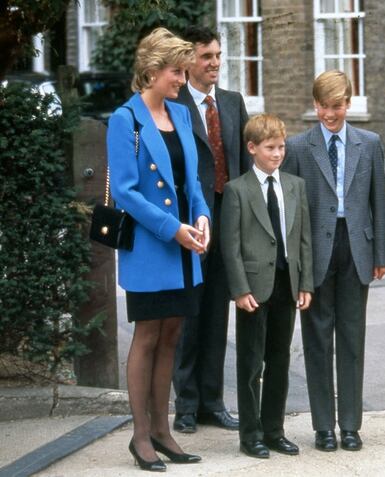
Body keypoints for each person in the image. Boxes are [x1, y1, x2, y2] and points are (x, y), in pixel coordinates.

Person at [107, 27, 209, 471]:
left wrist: (203, 216)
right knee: (147, 336)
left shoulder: (182, 115)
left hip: (186, 244)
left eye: (183, 72)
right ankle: (140, 436)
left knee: (172, 335)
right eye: (176, 72)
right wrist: (175, 229)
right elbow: (126, 192)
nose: (182, 80)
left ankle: (164, 431)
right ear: (151, 71)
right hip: (152, 245)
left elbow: (194, 181)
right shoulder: (123, 119)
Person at [283, 70, 385, 452]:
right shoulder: (297, 148)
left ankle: (350, 425)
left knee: (352, 337)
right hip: (315, 251)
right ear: (315, 105)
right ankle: (323, 427)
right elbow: (291, 212)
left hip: (356, 247)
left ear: (349, 102)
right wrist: (295, 265)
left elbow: (379, 199)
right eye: (325, 107)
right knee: (316, 339)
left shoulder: (370, 142)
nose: (331, 114)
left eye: (339, 106)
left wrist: (382, 254)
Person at [220, 114, 314, 459]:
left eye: (282, 147)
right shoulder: (237, 190)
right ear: (252, 148)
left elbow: (303, 240)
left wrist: (305, 282)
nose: (278, 154)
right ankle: (251, 434)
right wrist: (239, 289)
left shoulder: (294, 186)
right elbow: (230, 247)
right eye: (270, 148)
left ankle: (274, 430)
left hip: (286, 284)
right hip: (253, 290)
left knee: (279, 359)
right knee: (251, 363)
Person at [171, 25, 249, 434]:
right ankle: (185, 405)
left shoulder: (234, 103)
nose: (215, 63)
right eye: (206, 57)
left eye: (218, 55)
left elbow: (247, 169)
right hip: (191, 222)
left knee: (218, 313)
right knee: (189, 314)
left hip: (228, 221)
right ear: (188, 61)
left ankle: (212, 401)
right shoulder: (175, 103)